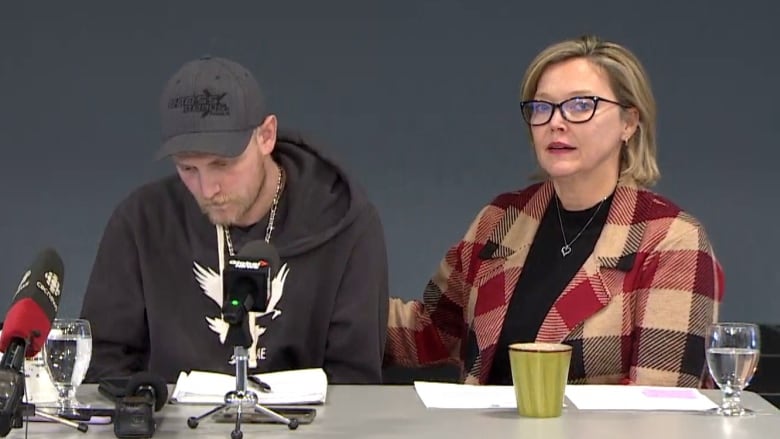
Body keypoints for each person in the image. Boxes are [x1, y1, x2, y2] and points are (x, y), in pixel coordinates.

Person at [385, 35, 724, 387]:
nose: (556, 122)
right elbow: (428, 332)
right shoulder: (501, 220)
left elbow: (661, 407)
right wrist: (330, 299)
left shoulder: (671, 239)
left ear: (629, 122)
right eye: (542, 107)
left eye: (580, 105)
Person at [81, 56, 389, 384]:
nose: (208, 188)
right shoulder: (141, 222)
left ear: (266, 136)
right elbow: (102, 361)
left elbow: (355, 384)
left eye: (223, 164)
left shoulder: (346, 225)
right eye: (188, 168)